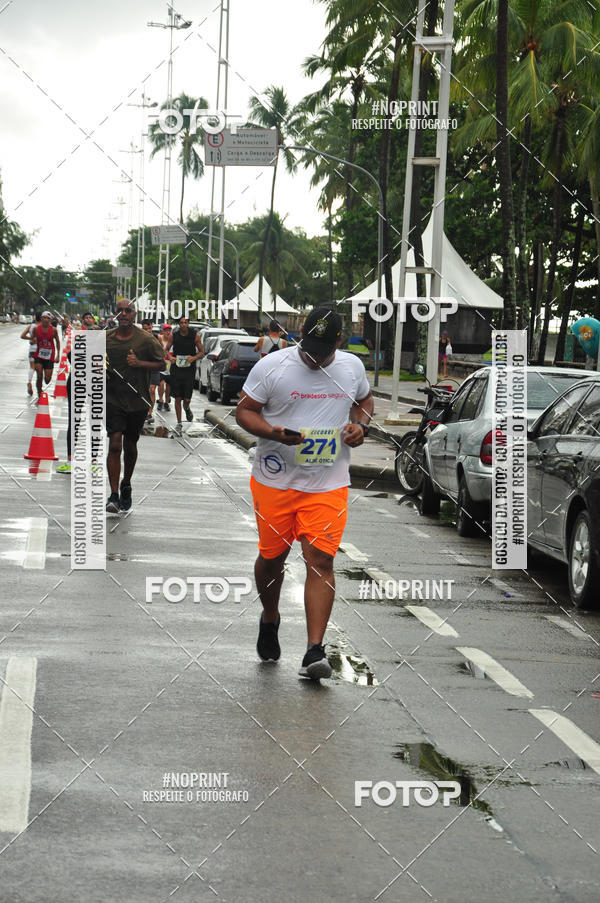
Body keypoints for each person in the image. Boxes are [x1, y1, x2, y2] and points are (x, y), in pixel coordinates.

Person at [236, 307, 374, 680]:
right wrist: (272, 432)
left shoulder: (351, 368)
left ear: (339, 343)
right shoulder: (272, 367)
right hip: (274, 481)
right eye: (308, 346)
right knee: (272, 559)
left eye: (322, 349)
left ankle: (314, 650)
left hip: (327, 484)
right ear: (300, 335)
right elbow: (244, 412)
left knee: (321, 561)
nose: (313, 356)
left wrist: (359, 426)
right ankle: (270, 616)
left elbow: (364, 402)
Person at [105, 300, 165, 513]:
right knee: (114, 443)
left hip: (137, 401)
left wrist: (140, 364)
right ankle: (112, 495)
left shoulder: (146, 340)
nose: (123, 314)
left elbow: (162, 364)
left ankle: (126, 483)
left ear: (134, 315)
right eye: (120, 311)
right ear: (115, 314)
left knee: (130, 445)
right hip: (112, 399)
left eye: (127, 311)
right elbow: (84, 358)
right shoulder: (106, 338)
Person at [56, 311, 98, 474]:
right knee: (75, 422)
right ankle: (70, 461)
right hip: (77, 384)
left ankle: (93, 461)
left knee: (93, 422)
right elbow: (70, 357)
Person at [164, 315, 204, 435]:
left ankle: (187, 408)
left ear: (188, 324)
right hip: (176, 369)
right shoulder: (174, 335)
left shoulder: (194, 335)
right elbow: (166, 349)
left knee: (186, 399)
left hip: (189, 370)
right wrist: (170, 357)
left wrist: (194, 358)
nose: (183, 325)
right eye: (181, 323)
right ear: (179, 324)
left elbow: (202, 352)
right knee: (177, 397)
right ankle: (179, 422)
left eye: (185, 323)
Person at [30, 310, 60, 401]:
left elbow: (58, 342)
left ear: (50, 320)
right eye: (44, 317)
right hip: (38, 355)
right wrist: (32, 341)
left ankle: (43, 385)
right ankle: (39, 392)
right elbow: (32, 339)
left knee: (47, 379)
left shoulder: (54, 330)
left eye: (48, 318)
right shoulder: (36, 329)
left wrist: (58, 355)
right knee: (39, 374)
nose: (46, 319)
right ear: (41, 318)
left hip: (49, 356)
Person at [141, 319, 160, 424]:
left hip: (154, 367)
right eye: (145, 329)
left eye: (149, 328)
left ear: (152, 327)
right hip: (142, 367)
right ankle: (142, 410)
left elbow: (162, 351)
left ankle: (150, 412)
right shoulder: (139, 338)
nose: (147, 330)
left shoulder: (157, 337)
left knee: (152, 390)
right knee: (143, 390)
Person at [20, 311, 41, 396]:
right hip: (41, 351)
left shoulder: (31, 326)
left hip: (32, 350)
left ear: (35, 317)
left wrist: (31, 338)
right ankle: (39, 388)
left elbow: (22, 336)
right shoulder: (43, 327)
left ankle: (29, 382)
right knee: (40, 370)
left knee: (32, 367)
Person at [156, 324, 172, 412]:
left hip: (170, 366)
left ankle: (166, 402)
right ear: (163, 331)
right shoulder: (160, 339)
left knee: (169, 385)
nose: (168, 332)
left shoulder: (173, 340)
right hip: (161, 365)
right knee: (161, 384)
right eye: (166, 330)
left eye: (169, 330)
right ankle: (161, 400)